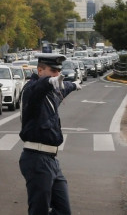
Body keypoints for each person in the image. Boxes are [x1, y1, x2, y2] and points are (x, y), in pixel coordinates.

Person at [19, 53, 81, 215]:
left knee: (63, 210)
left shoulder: (52, 92)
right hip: (36, 158)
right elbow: (38, 88)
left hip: (51, 160)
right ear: (40, 71)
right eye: (53, 71)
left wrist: (73, 85)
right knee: (39, 210)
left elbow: (63, 88)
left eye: (58, 71)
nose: (57, 75)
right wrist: (48, 82)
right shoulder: (31, 90)